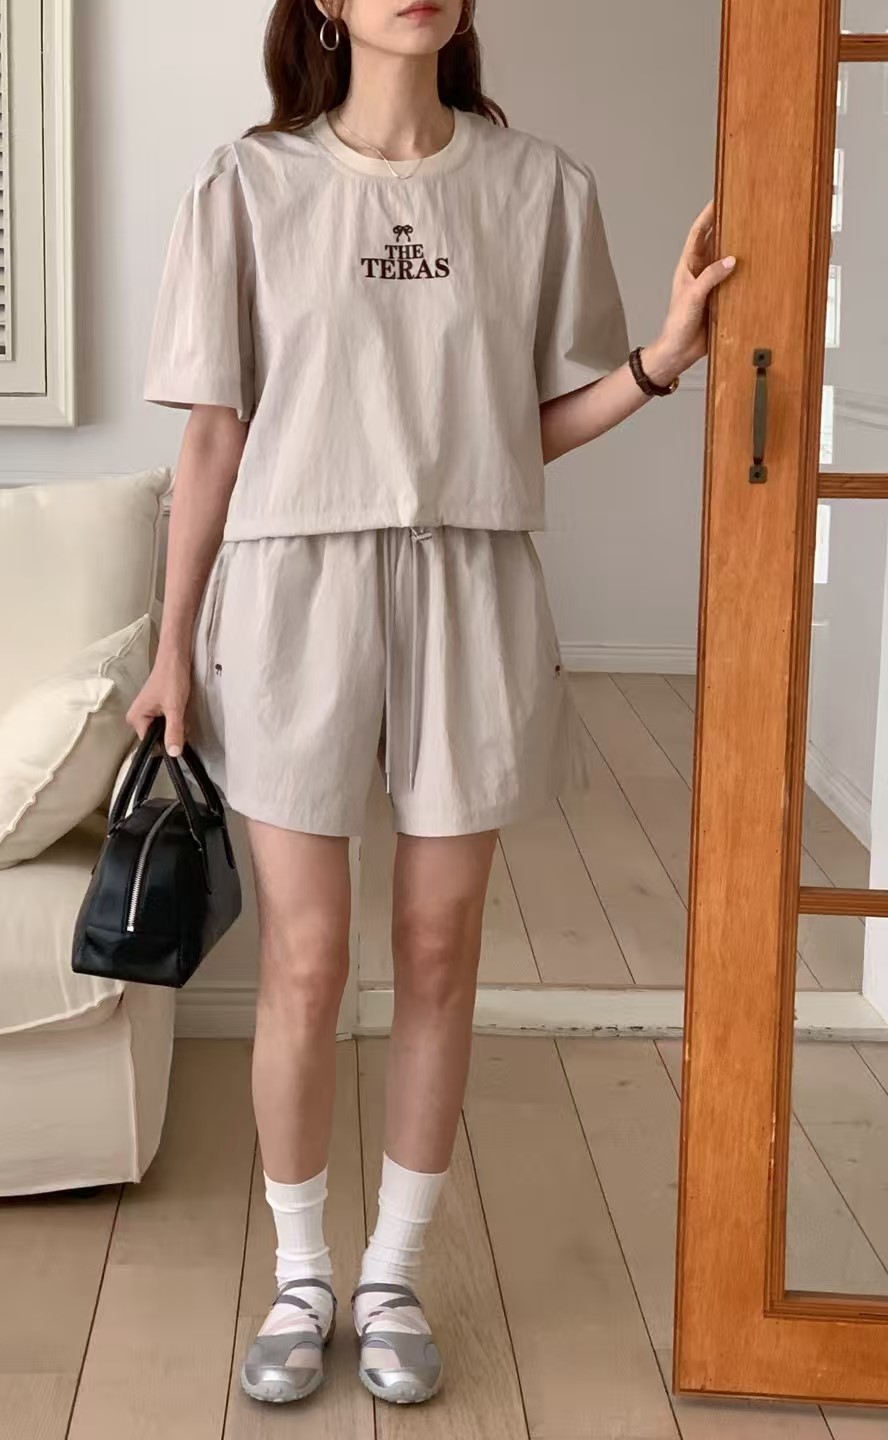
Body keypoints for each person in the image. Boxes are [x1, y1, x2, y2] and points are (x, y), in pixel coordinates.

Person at [129, 0, 735, 1409]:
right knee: (306, 958)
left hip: (470, 578)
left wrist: (658, 362)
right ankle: (301, 1276)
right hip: (293, 587)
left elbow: (524, 427)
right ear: (325, 6)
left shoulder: (539, 189)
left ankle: (393, 1273)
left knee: (440, 944)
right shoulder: (246, 186)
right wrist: (169, 650)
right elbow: (215, 434)